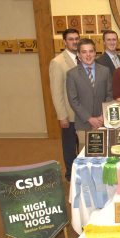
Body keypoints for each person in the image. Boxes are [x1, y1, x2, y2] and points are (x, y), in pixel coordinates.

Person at [66, 38, 113, 147]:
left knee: (105, 153)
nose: (88, 55)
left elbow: (109, 95)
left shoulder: (105, 71)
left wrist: (103, 115)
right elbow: (73, 100)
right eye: (84, 52)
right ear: (78, 55)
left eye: (91, 51)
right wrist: (89, 118)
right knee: (85, 156)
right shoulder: (72, 74)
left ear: (95, 53)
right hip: (84, 124)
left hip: (103, 122)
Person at [49, 28, 80, 182]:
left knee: (81, 143)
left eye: (76, 38)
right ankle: (70, 174)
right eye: (71, 39)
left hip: (83, 111)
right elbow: (56, 92)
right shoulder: (57, 62)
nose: (75, 42)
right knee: (69, 145)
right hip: (69, 113)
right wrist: (62, 116)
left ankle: (80, 171)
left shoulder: (83, 57)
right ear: (64, 42)